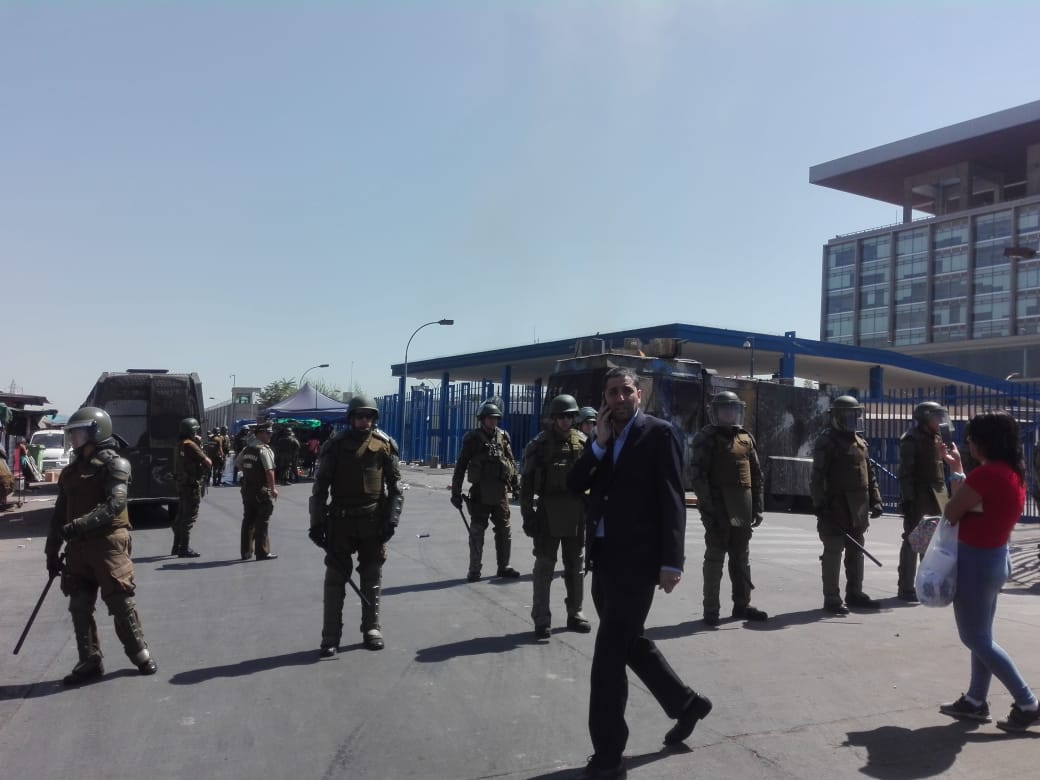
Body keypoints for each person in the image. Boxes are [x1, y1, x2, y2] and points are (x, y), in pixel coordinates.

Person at [566, 367, 712, 780]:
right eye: (611, 392)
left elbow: (672, 498)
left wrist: (671, 562)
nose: (619, 398)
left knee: (607, 657)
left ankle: (609, 755)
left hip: (638, 562)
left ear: (639, 394)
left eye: (625, 391)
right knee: (629, 644)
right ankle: (686, 704)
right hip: (604, 558)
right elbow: (574, 483)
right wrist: (598, 445)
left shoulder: (659, 433)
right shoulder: (602, 437)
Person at [936, 411, 1039, 732]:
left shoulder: (985, 475)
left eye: (971, 438)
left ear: (984, 441)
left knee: (975, 638)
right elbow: (979, 506)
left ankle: (1028, 704)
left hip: (975, 562)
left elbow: (952, 511)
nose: (968, 443)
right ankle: (975, 699)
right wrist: (957, 469)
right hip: (995, 558)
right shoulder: (1011, 473)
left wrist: (956, 477)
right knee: (982, 635)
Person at [43, 406, 158, 684]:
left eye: (78, 432)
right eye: (72, 433)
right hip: (78, 549)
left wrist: (79, 525)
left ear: (96, 432)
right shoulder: (71, 472)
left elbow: (116, 503)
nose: (73, 438)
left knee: (120, 602)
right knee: (79, 605)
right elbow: (59, 513)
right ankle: (89, 660)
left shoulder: (115, 465)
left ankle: (140, 654)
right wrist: (51, 551)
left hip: (107, 545)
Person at [309, 395, 403, 653]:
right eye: (360, 416)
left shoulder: (385, 446)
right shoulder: (335, 446)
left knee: (372, 575)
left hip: (373, 522)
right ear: (351, 418)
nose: (364, 421)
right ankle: (330, 637)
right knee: (335, 579)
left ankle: (372, 629)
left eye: (369, 416)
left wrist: (392, 520)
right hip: (340, 523)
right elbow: (320, 488)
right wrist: (316, 523)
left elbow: (396, 488)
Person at [690, 390, 768, 626]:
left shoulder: (745, 438)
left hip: (742, 508)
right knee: (715, 558)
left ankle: (742, 605)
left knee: (741, 558)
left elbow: (756, 475)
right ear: (715, 413)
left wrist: (758, 507)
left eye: (732, 410)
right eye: (725, 410)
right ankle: (711, 610)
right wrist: (709, 509)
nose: (729, 414)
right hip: (717, 508)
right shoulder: (706, 438)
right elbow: (698, 476)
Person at [520, 393, 591, 639]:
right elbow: (526, 484)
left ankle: (576, 612)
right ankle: (541, 619)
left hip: (575, 513)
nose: (565, 421)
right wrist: (527, 515)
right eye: (561, 416)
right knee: (544, 567)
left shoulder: (583, 442)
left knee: (576, 566)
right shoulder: (539, 445)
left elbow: (593, 478)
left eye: (569, 416)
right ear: (553, 418)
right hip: (548, 512)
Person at [810, 395, 884, 615]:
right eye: (848, 415)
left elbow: (870, 475)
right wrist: (820, 505)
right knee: (833, 551)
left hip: (858, 507)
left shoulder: (861, 442)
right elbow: (817, 478)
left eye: (855, 415)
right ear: (837, 417)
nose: (852, 419)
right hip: (835, 505)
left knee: (856, 551)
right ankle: (832, 598)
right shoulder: (827, 442)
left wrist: (876, 499)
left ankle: (855, 593)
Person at [451, 401, 521, 582]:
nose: (493, 421)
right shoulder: (473, 439)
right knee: (477, 531)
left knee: (504, 530)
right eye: (489, 418)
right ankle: (474, 570)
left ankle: (504, 566)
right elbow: (461, 466)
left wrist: (516, 486)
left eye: (495, 418)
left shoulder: (503, 437)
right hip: (480, 493)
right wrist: (456, 492)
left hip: (500, 493)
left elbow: (511, 463)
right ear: (482, 419)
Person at [897, 401, 950, 602]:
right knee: (913, 542)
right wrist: (908, 499)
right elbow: (905, 473)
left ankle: (925, 585)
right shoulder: (911, 439)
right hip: (919, 497)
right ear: (924, 419)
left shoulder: (937, 438)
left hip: (937, 496)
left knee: (932, 543)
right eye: (936, 417)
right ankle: (906, 588)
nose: (940, 421)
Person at [236, 421, 278, 560]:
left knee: (248, 520)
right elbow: (269, 471)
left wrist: (250, 472)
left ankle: (246, 552)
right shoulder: (263, 450)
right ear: (260, 434)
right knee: (262, 521)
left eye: (271, 433)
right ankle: (262, 552)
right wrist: (273, 489)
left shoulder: (247, 449)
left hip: (247, 489)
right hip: (261, 491)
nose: (270, 435)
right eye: (268, 433)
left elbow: (238, 464)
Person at [172, 417, 210, 557]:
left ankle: (176, 546)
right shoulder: (191, 445)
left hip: (182, 484)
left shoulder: (180, 444)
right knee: (188, 518)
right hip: (191, 486)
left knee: (181, 516)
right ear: (192, 431)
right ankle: (184, 549)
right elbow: (208, 462)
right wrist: (200, 445)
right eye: (195, 431)